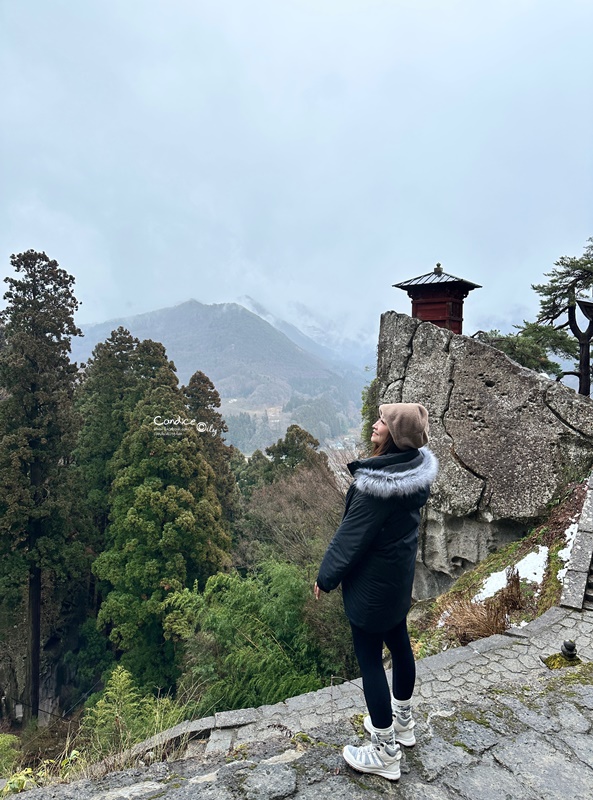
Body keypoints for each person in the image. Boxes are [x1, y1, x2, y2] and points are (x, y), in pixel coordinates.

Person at [314, 402, 438, 781]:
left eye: (383, 421)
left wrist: (326, 576)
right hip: (397, 580)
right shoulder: (413, 472)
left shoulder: (375, 489)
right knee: (399, 643)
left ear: (395, 435)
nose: (375, 423)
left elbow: (349, 539)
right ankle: (403, 723)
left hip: (371, 588)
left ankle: (385, 751)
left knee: (369, 660)